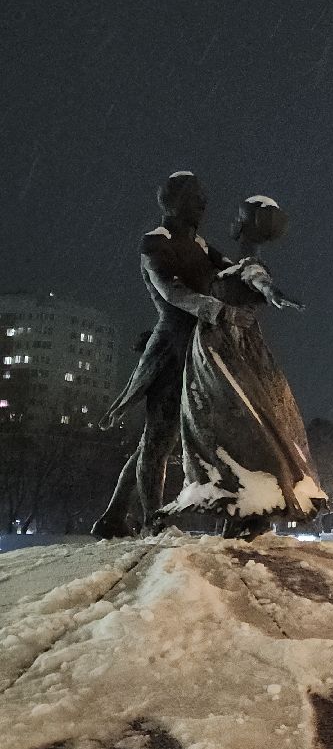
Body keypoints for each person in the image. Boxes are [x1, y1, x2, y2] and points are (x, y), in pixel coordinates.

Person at [163, 196, 326, 538]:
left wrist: (271, 291)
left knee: (240, 422)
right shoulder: (228, 262)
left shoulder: (248, 264)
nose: (233, 222)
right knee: (225, 425)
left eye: (239, 216)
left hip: (230, 351)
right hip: (216, 349)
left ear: (248, 224)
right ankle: (240, 505)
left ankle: (251, 504)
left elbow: (256, 276)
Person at [93, 172, 233, 537]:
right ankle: (154, 522)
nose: (203, 204)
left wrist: (255, 269)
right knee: (158, 439)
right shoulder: (156, 242)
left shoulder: (201, 245)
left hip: (199, 348)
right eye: (195, 197)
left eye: (204, 197)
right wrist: (208, 306)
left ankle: (113, 516)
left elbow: (231, 271)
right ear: (173, 202)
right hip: (171, 351)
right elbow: (170, 289)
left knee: (157, 442)